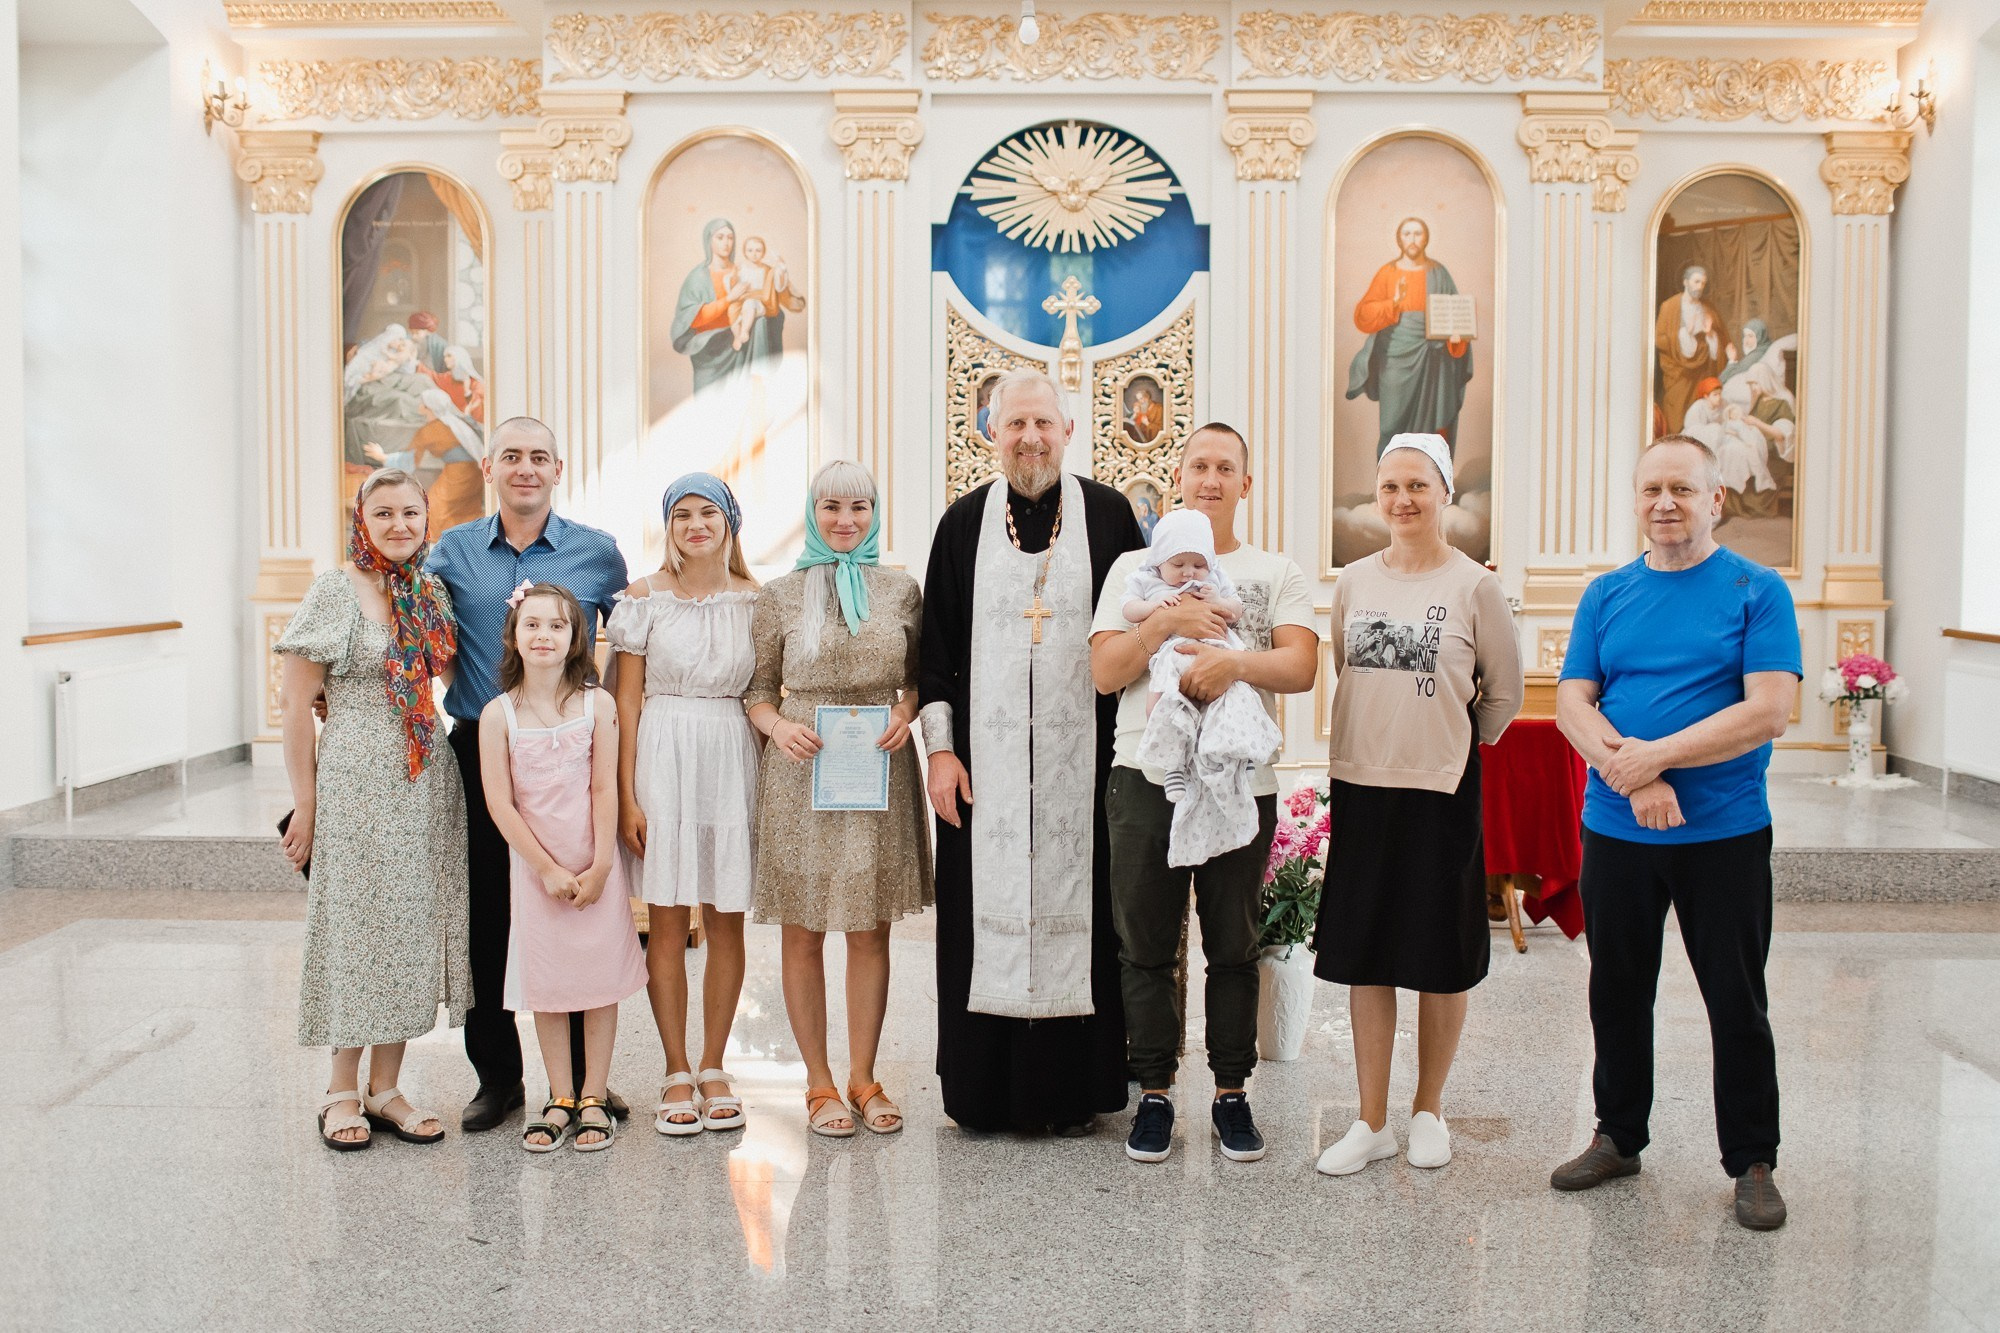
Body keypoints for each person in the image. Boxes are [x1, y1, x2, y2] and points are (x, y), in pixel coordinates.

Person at [1550, 433, 1800, 1232]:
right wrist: (1638, 775)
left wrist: (1656, 755)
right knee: (1617, 987)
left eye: (1683, 490)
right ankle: (1619, 1133)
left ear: (1716, 498)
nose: (1666, 503)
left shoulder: (1756, 590)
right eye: (1652, 489)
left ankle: (1752, 1158)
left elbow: (1769, 710)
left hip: (1722, 833)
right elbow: (1572, 703)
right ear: (1636, 500)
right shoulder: (1606, 594)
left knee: (1736, 996)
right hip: (1619, 831)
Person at [920, 368, 1144, 1135]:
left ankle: (1078, 1089)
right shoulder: (961, 526)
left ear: (1068, 432)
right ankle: (982, 1091)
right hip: (983, 779)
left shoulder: (1112, 519)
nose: (1030, 438)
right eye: (1014, 425)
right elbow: (936, 656)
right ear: (991, 434)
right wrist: (941, 755)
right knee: (980, 920)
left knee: (1090, 914)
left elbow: (1139, 637)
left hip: (1089, 771)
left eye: (1043, 424)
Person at [1089, 422, 1317, 1164]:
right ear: (1179, 477)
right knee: (1144, 946)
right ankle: (1153, 1093)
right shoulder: (1133, 565)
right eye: (1199, 467)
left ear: (1245, 484)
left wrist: (1233, 665)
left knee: (1234, 945)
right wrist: (1168, 622)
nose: (1211, 478)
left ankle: (1230, 1092)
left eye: (1226, 468)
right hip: (1145, 779)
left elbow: (1301, 666)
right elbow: (1104, 670)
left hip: (1238, 783)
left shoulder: (1273, 569)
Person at [1312, 433, 1523, 1177]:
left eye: (1418, 486)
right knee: (1367, 953)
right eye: (1391, 486)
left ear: (1445, 494)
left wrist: (1452, 745)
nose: (1403, 499)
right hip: (1363, 783)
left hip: (1440, 790)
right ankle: (1371, 1119)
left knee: (1438, 954)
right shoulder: (1355, 580)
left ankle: (1427, 1108)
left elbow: (1502, 693)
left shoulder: (1474, 586)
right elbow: (1348, 665)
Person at [427, 416, 631, 1133]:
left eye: (538, 457)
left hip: (571, 751)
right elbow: (411, 635)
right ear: (489, 465)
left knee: (574, 904)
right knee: (490, 914)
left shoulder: (597, 554)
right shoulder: (450, 552)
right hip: (484, 745)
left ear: (557, 467)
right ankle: (500, 1077)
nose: (525, 468)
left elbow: (632, 652)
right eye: (511, 455)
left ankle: (580, 1082)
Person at [276, 468, 470, 1152]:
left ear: (426, 519)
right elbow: (296, 703)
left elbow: (450, 673)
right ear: (362, 518)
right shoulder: (336, 588)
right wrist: (307, 800)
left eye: (410, 513)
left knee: (409, 922)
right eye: (382, 512)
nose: (397, 525)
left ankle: (387, 1085)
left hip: (423, 775)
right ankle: (339, 1086)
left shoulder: (429, 590)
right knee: (355, 921)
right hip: (356, 771)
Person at [747, 461, 930, 1136]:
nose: (845, 519)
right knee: (804, 929)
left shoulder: (901, 590)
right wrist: (779, 726)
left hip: (878, 768)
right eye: (831, 506)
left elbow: (915, 678)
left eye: (859, 506)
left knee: (869, 928)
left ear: (875, 512)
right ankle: (819, 1083)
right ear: (812, 511)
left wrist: (906, 712)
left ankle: (864, 1076)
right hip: (804, 770)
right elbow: (758, 691)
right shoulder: (780, 595)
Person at [607, 473, 761, 1136]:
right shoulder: (643, 599)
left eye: (709, 513)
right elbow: (628, 701)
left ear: (730, 522)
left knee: (727, 919)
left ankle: (714, 1062)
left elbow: (767, 693)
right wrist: (626, 794)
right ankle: (675, 1068)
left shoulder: (758, 601)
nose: (696, 525)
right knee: (666, 923)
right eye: (682, 515)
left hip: (730, 753)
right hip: (662, 755)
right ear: (668, 527)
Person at [480, 583, 648, 1152]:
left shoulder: (597, 704)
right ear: (514, 636)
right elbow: (500, 803)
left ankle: (595, 1094)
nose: (544, 635)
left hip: (593, 861)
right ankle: (558, 1095)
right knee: (548, 984)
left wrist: (602, 863)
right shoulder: (498, 714)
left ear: (577, 635)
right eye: (532, 625)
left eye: (557, 625)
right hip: (537, 871)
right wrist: (546, 868)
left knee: (600, 982)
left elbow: (605, 784)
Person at [1118, 510, 1280, 867]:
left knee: (1236, 704)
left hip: (1218, 652)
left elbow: (1235, 609)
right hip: (1171, 658)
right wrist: (1156, 609)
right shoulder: (1146, 579)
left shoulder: (1214, 579)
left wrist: (1216, 600)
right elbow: (1128, 609)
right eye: (1179, 564)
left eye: (1198, 564)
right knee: (1158, 706)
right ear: (1160, 561)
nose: (1189, 573)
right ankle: (1174, 764)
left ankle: (1240, 758)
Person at [1347, 216, 1473, 454]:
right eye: (1407, 234)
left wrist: (1456, 340)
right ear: (1399, 239)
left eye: (1418, 233)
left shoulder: (1439, 273)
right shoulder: (1388, 272)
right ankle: (1388, 485)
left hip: (1435, 362)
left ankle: (1432, 487)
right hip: (1395, 355)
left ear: (1426, 238)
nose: (1413, 239)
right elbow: (1363, 315)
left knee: (1433, 433)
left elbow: (1457, 315)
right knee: (1391, 426)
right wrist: (1392, 303)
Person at [1653, 265, 1733, 434]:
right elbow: (1659, 340)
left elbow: (1722, 340)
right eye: (1696, 282)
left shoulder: (1708, 308)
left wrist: (1710, 333)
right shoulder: (1670, 306)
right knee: (1676, 414)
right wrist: (1685, 334)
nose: (1699, 287)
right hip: (1679, 372)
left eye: (1703, 283)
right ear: (1685, 282)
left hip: (1703, 371)